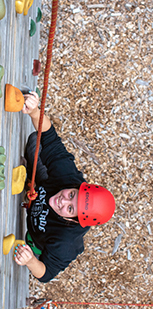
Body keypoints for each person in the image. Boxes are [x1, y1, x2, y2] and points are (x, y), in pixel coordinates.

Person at [14, 91, 116, 283]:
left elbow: (45, 274)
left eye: (70, 208)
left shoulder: (66, 242)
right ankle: (30, 179)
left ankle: (29, 182)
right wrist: (35, 111)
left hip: (35, 236)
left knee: (30, 252)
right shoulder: (69, 178)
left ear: (74, 220)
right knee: (35, 141)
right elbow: (50, 138)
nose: (63, 200)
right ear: (77, 188)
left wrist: (29, 261)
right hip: (41, 186)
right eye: (71, 194)